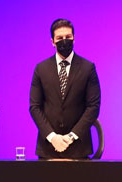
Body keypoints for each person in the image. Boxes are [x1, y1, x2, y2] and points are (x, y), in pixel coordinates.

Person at [29, 18, 101, 159]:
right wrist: (52, 137)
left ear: (74, 38)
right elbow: (34, 107)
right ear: (52, 41)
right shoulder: (41, 69)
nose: (64, 41)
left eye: (68, 37)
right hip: (48, 148)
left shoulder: (88, 68)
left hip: (78, 149)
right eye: (60, 38)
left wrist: (71, 136)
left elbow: (93, 107)